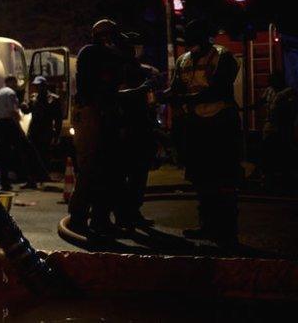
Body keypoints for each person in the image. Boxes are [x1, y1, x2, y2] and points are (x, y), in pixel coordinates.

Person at [165, 19, 242, 247]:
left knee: (223, 178)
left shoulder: (223, 56)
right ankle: (207, 226)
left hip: (221, 124)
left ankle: (227, 231)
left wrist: (183, 99)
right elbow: (176, 87)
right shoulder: (183, 60)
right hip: (197, 125)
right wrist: (163, 95)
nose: (192, 44)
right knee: (201, 178)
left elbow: (219, 89)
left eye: (196, 39)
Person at [68, 19, 126, 236]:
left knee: (95, 170)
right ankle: (91, 218)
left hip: (95, 115)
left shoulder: (90, 53)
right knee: (97, 170)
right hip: (96, 116)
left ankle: (85, 217)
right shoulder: (97, 54)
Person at [116, 32, 158, 228]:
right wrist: (144, 88)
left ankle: (130, 213)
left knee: (138, 174)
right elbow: (118, 96)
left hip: (139, 127)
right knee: (129, 174)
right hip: (125, 127)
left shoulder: (139, 69)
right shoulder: (119, 69)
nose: (136, 50)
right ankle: (126, 214)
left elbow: (149, 102)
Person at [0, 75, 39, 190]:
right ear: (10, 82)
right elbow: (14, 111)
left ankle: (5, 183)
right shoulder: (11, 93)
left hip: (1, 124)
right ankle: (29, 179)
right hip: (11, 124)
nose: (16, 85)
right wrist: (19, 124)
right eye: (14, 82)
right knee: (23, 150)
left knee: (3, 154)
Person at [260, 72, 297, 192]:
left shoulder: (288, 92)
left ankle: (285, 178)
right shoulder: (269, 90)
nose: (271, 84)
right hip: (270, 124)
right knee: (267, 150)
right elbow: (261, 101)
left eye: (273, 81)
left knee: (284, 151)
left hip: (283, 126)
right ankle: (269, 178)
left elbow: (291, 109)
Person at [23, 76, 62, 176]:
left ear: (45, 86)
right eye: (37, 86)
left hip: (46, 130)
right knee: (31, 153)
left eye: (39, 86)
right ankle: (33, 176)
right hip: (34, 129)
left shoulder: (54, 99)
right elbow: (27, 111)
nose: (37, 88)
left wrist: (57, 135)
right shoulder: (34, 97)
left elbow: (58, 119)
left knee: (44, 153)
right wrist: (23, 106)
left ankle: (43, 175)